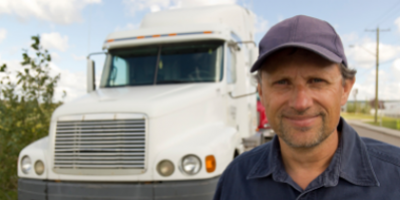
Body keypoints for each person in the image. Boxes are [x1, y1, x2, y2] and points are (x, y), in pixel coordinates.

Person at [213, 15, 400, 199]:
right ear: (261, 93)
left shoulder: (395, 176)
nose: (301, 103)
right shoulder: (236, 179)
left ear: (345, 89)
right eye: (282, 82)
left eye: (317, 80)